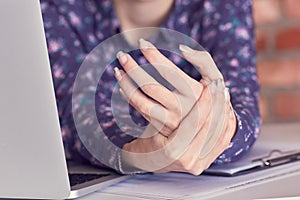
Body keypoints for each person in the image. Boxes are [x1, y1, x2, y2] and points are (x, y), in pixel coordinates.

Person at [41, 0, 261, 175]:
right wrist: (136, 152)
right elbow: (71, 109)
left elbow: (243, 100)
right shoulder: (58, 7)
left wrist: (217, 127)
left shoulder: (221, 5)